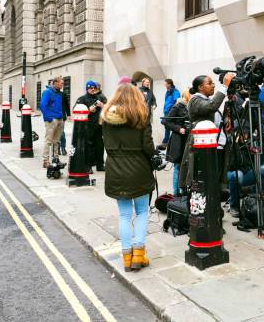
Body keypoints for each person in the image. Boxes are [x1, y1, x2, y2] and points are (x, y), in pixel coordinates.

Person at [100, 83, 155, 272]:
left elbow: (105, 144)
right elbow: (148, 146)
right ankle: (139, 255)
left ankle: (126, 258)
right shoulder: (141, 116)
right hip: (138, 168)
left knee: (124, 215)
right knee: (142, 212)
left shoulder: (106, 118)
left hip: (115, 168)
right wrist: (155, 158)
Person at [178, 74, 234, 192]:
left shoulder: (207, 99)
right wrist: (224, 86)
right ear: (200, 87)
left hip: (216, 144)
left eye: (213, 83)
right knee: (201, 176)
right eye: (209, 83)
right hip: (201, 147)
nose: (213, 85)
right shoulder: (195, 100)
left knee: (214, 176)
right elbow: (211, 107)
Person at [163, 88, 190, 196]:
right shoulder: (178, 106)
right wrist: (178, 128)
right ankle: (176, 193)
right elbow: (166, 121)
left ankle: (183, 191)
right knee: (178, 167)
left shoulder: (189, 106)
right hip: (178, 141)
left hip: (187, 139)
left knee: (185, 166)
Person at [76, 80, 107, 171]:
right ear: (87, 89)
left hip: (98, 126)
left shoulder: (100, 98)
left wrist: (102, 106)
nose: (93, 90)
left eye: (94, 88)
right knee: (88, 146)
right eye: (90, 88)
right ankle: (88, 166)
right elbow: (75, 110)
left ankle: (100, 165)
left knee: (100, 146)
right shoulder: (82, 99)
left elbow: (108, 109)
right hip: (88, 126)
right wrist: (88, 110)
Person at [41, 76, 65, 168]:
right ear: (55, 83)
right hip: (52, 120)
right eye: (61, 83)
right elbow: (43, 105)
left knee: (56, 141)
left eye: (63, 83)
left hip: (59, 118)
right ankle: (46, 160)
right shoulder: (47, 92)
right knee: (49, 140)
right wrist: (48, 118)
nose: (63, 85)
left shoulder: (59, 93)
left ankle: (56, 159)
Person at [161, 79, 180, 147]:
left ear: (169, 84)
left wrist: (171, 111)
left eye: (165, 83)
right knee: (167, 127)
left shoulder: (175, 92)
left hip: (171, 112)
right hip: (166, 112)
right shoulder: (167, 92)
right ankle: (167, 142)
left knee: (170, 126)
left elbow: (177, 102)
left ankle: (166, 142)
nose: (164, 85)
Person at [58, 88, 71, 156]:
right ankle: (57, 148)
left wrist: (68, 114)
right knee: (55, 133)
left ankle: (63, 148)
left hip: (62, 116)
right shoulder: (51, 94)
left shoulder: (63, 94)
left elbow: (67, 104)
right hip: (53, 116)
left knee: (62, 133)